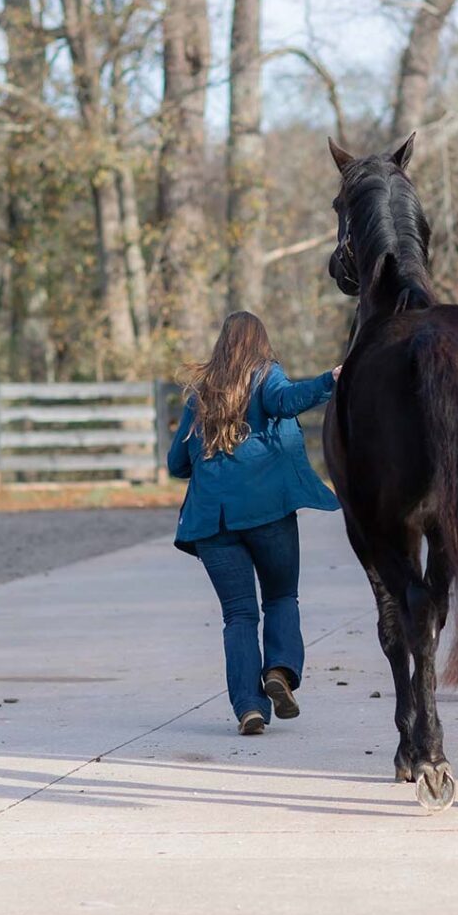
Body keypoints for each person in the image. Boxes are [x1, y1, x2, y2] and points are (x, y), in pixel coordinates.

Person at [167, 311, 341, 736]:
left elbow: (176, 463)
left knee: (238, 615)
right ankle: (279, 670)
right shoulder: (265, 375)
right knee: (281, 596)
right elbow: (286, 401)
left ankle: (249, 707)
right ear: (261, 342)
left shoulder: (201, 394)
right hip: (267, 513)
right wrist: (330, 379)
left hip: (213, 523)